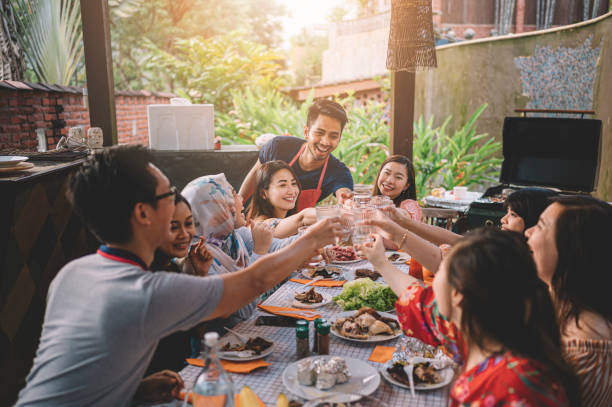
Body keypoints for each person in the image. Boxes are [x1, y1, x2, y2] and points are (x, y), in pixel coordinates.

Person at [16, 146, 341, 406]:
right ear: (143, 214)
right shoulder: (146, 291)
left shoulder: (72, 273)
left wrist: (132, 387)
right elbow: (253, 283)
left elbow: (75, 366)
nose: (177, 201)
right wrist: (313, 238)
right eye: (168, 194)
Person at [358, 227, 577, 406]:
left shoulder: (518, 387)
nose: (430, 283)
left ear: (457, 294)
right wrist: (381, 263)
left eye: (440, 270)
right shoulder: (475, 327)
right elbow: (418, 299)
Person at [525, 196, 612, 407]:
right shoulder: (555, 300)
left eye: (540, 225)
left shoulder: (586, 349)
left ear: (571, 248)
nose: (528, 232)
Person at [239, 99, 354, 210]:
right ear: (306, 132)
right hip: (260, 223)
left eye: (333, 136)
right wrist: (237, 208)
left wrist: (347, 200)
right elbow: (254, 178)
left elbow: (344, 193)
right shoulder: (278, 147)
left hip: (297, 228)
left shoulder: (338, 172)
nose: (325, 142)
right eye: (320, 133)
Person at [147, 193, 213, 375]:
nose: (185, 234)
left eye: (189, 224)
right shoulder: (147, 278)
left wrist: (201, 274)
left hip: (179, 376)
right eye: (173, 227)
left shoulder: (173, 268)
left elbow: (198, 331)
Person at [247, 160, 317, 237]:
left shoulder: (288, 223)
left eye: (293, 183)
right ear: (263, 193)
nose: (292, 191)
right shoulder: (259, 224)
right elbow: (302, 219)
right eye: (282, 185)